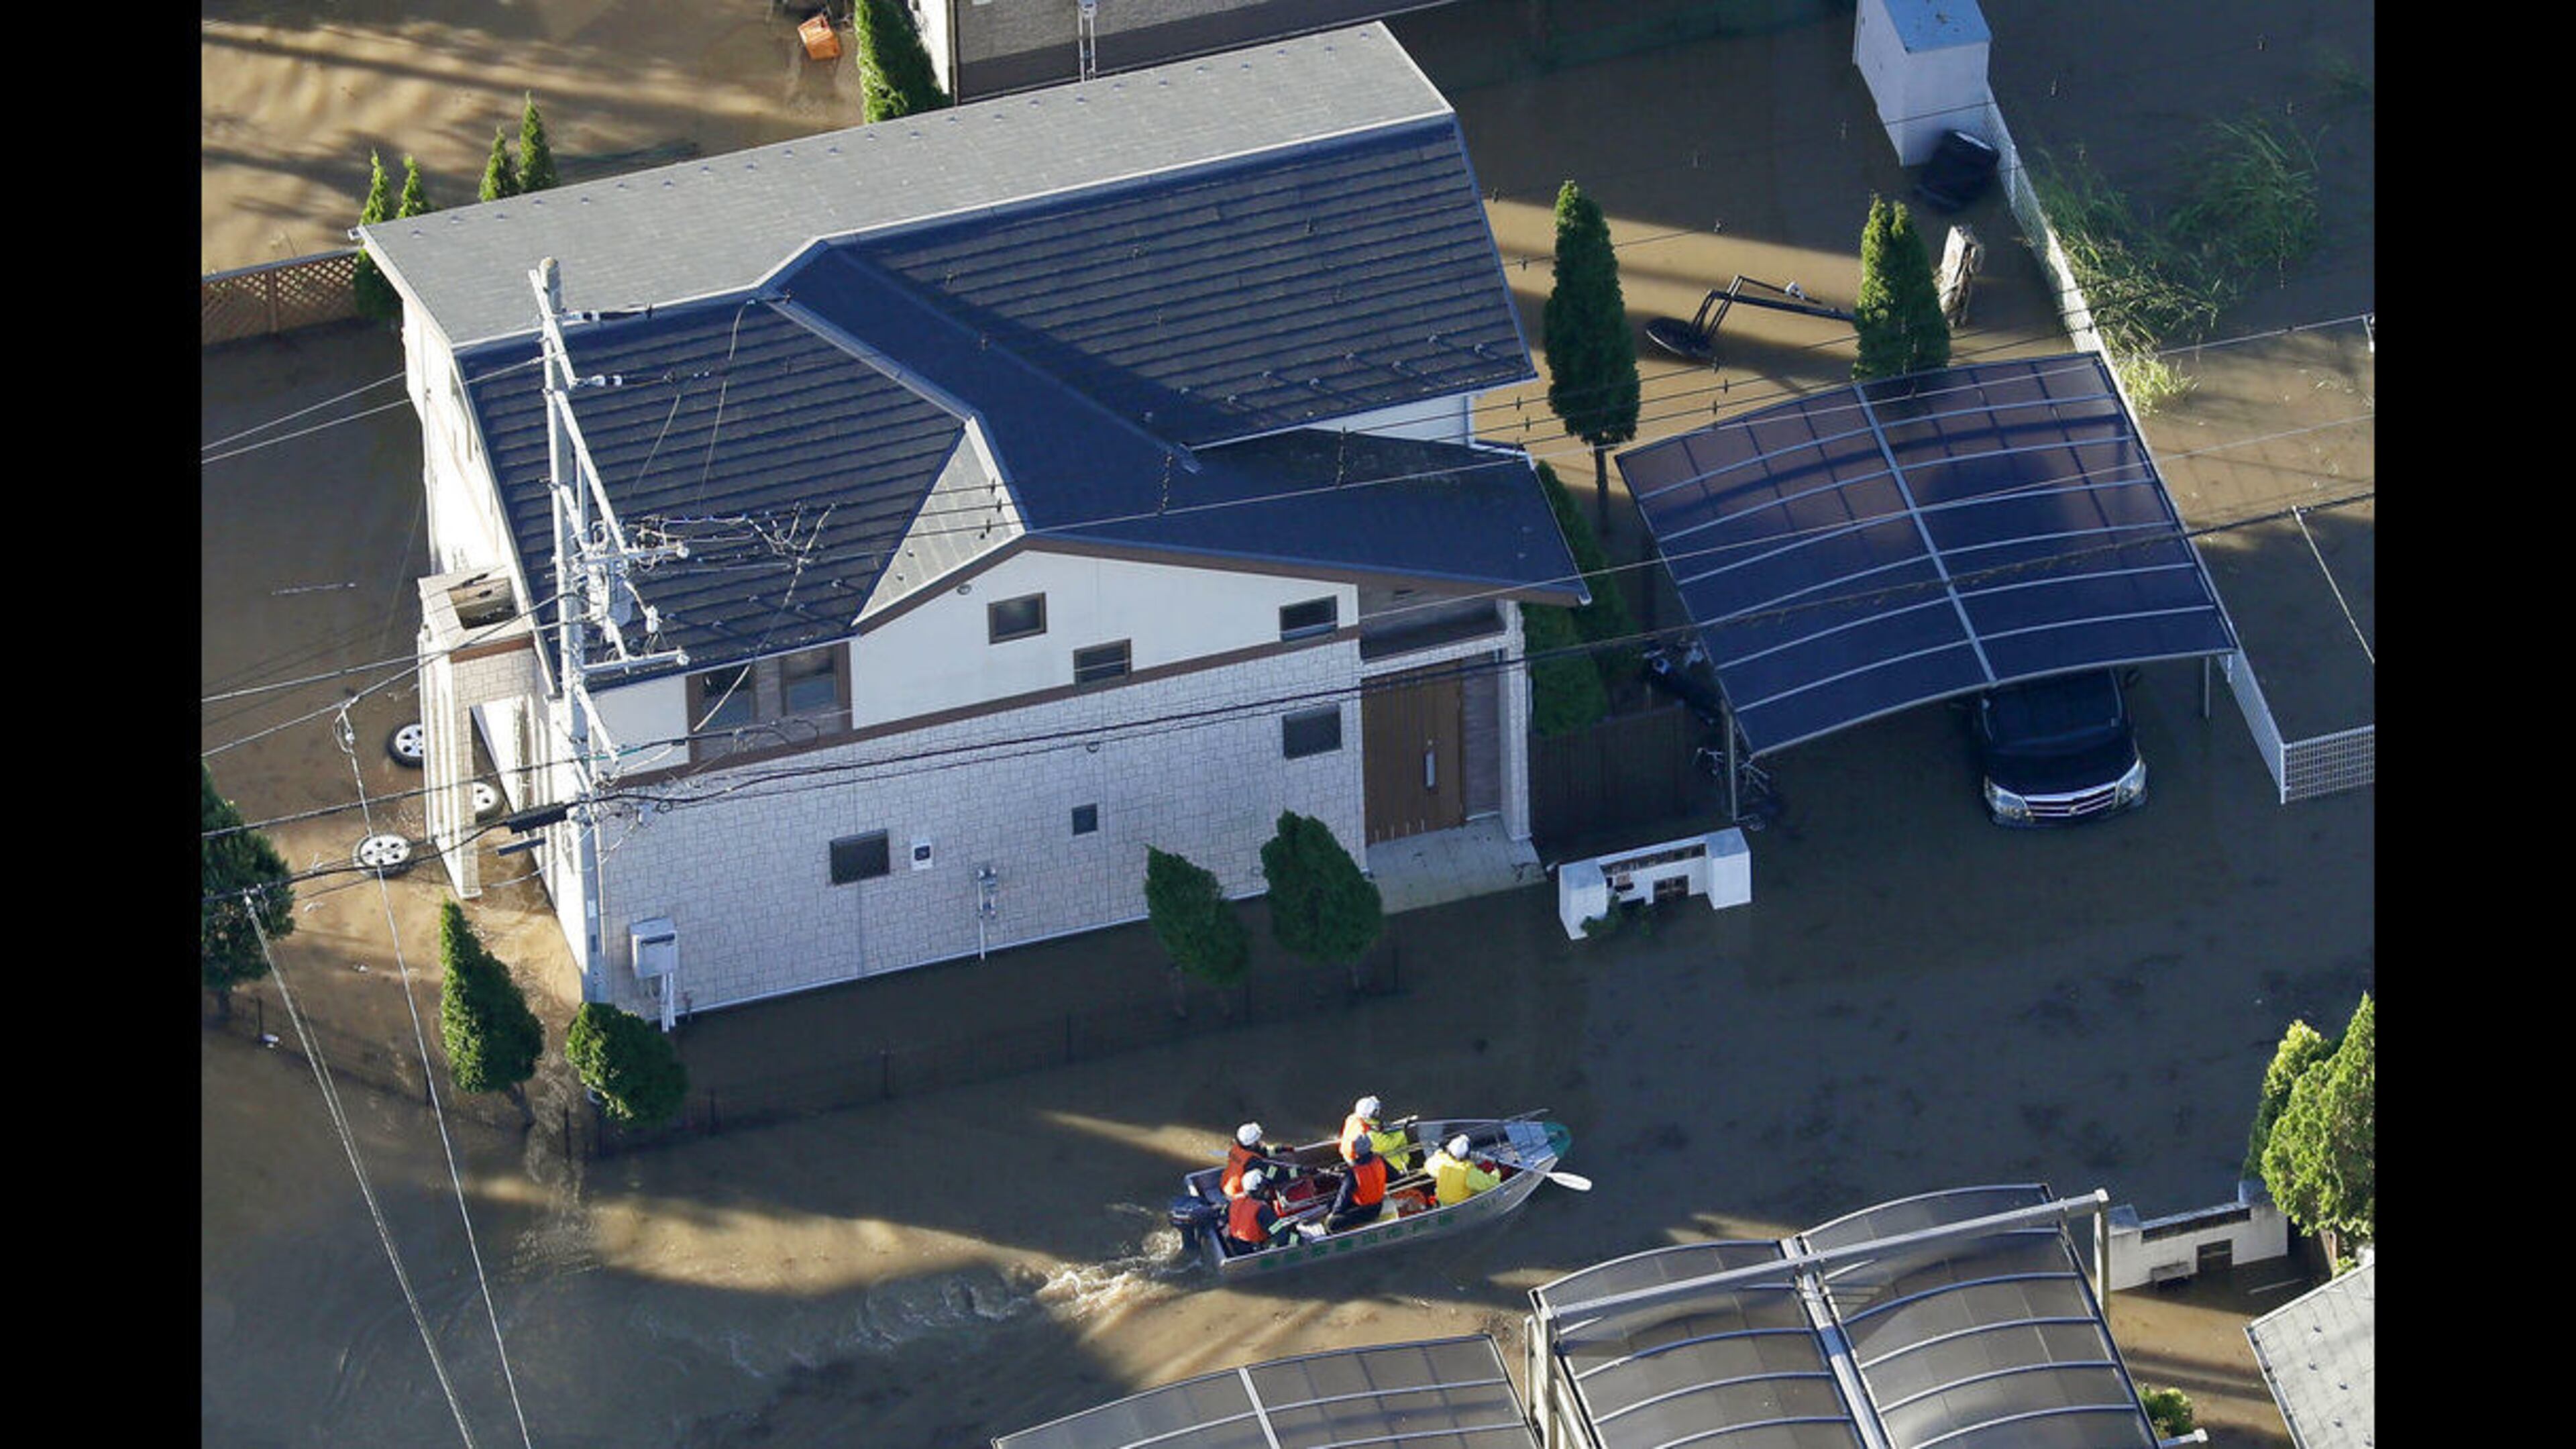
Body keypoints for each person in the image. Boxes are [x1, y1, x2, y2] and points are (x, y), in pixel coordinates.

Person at [1325, 1133, 1389, 1233]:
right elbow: (1395, 1176)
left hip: (1365, 1210)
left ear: (1355, 1151)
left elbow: (1344, 1195)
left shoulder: (1354, 1172)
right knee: (1332, 1204)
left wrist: (1334, 1213)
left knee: (1333, 1223)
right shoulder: (1379, 1159)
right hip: (1378, 1204)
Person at [1340, 1095, 1416, 1172]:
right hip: (1389, 1163)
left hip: (1352, 1156)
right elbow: (1390, 1144)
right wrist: (1402, 1130)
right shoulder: (1371, 1137)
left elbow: (1374, 1126)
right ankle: (1401, 1169)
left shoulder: (1353, 1119)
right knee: (1395, 1155)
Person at [1224, 1168, 1291, 1256]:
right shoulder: (1261, 1210)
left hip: (1237, 1244)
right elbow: (1281, 1234)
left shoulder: (1235, 1201)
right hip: (1255, 1249)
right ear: (1259, 1189)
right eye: (1265, 1187)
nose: (1267, 1190)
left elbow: (1225, 1215)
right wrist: (1297, 1239)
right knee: (1292, 1235)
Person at [1426, 1133, 1501, 1207]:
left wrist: (1440, 1152)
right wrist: (1497, 1170)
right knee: (1480, 1189)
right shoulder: (1467, 1173)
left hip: (1443, 1205)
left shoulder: (1442, 1162)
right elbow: (1491, 1184)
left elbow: (1428, 1166)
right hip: (1460, 1207)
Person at [1222, 1122, 1289, 1200]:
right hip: (1237, 1196)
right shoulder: (1253, 1162)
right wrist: (1295, 1173)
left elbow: (1262, 1152)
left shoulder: (1236, 1148)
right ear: (1253, 1144)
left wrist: (1279, 1149)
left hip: (1225, 1187)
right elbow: (1276, 1175)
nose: (1260, 1141)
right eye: (1257, 1140)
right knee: (1266, 1186)